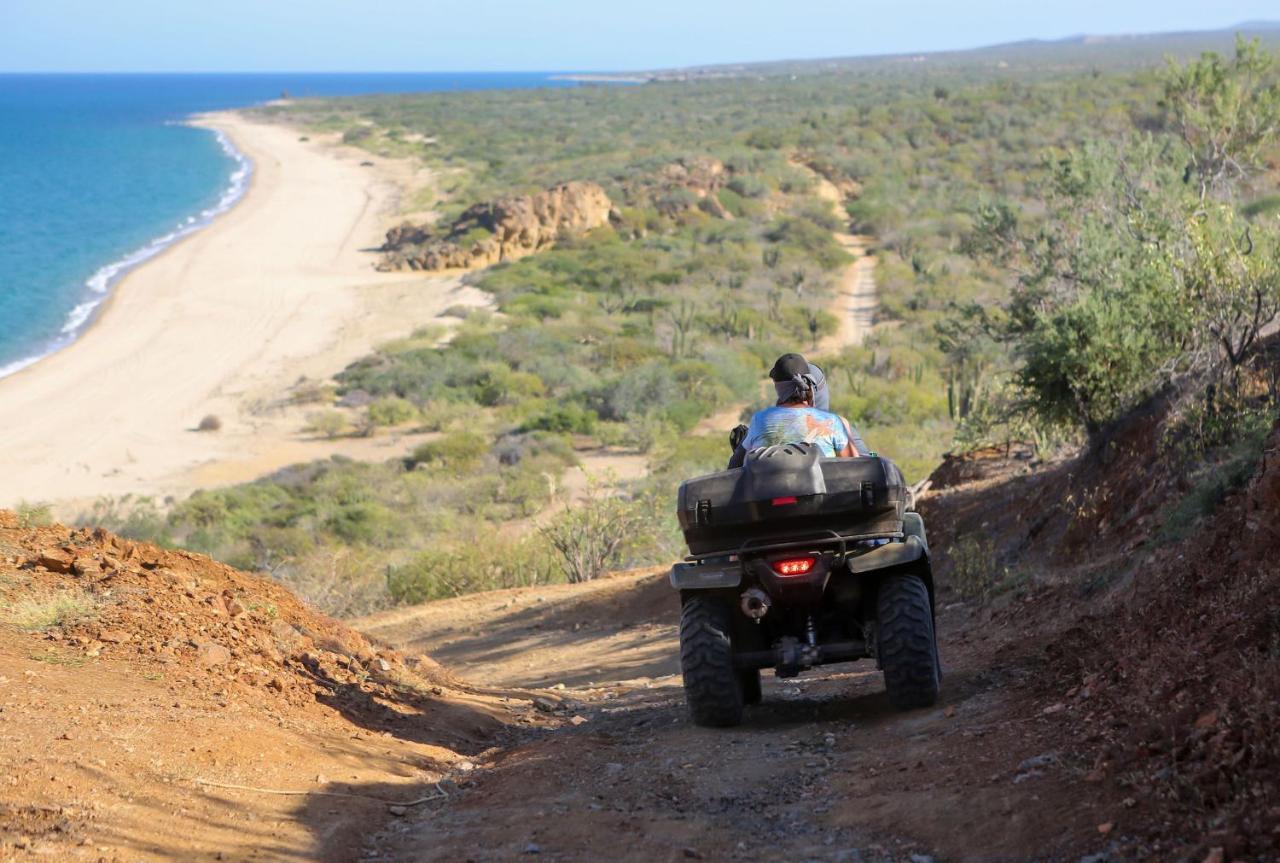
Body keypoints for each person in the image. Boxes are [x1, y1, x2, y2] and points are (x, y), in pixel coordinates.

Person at [728, 353, 869, 469]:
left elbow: (736, 468)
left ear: (777, 387)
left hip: (767, 499)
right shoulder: (834, 423)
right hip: (824, 500)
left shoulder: (759, 421)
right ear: (811, 384)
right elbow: (857, 469)